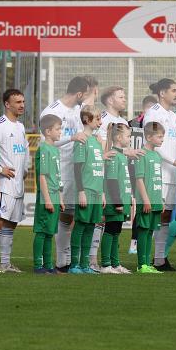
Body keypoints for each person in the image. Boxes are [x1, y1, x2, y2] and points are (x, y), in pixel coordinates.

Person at [40, 76, 93, 271]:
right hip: (57, 169)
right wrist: (71, 137)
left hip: (74, 170)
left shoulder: (78, 111)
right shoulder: (53, 111)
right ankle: (49, 261)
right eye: (85, 94)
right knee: (56, 216)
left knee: (69, 216)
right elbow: (45, 143)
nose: (85, 99)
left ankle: (65, 261)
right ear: (79, 93)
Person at [142, 78, 176, 271]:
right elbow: (153, 144)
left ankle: (160, 259)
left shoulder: (173, 116)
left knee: (165, 217)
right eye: (173, 90)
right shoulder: (153, 113)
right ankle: (145, 260)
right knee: (154, 217)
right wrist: (175, 162)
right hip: (157, 173)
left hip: (172, 173)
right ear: (162, 93)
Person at [0, 89, 30, 273]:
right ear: (7, 104)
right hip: (4, 185)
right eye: (18, 102)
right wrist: (0, 169)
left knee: (12, 223)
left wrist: (26, 168)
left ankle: (5, 263)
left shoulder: (20, 127)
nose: (21, 105)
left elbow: (25, 150)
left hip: (18, 185)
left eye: (23, 102)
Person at [70, 107, 106, 274]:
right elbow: (77, 167)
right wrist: (81, 191)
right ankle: (74, 264)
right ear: (87, 119)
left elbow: (101, 168)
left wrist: (103, 192)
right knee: (80, 226)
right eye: (97, 118)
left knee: (91, 226)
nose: (100, 121)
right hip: (86, 190)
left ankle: (85, 264)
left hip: (97, 191)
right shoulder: (82, 140)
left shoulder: (97, 141)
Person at [33, 114, 64, 274]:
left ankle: (48, 264)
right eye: (58, 129)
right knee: (42, 231)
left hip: (54, 195)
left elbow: (56, 176)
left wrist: (60, 198)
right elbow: (42, 176)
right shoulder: (44, 148)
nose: (60, 132)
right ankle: (39, 265)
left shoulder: (55, 149)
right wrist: (47, 199)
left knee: (50, 232)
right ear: (47, 131)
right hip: (47, 196)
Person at [101, 122, 133, 274]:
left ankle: (115, 264)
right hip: (115, 202)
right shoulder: (114, 155)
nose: (130, 139)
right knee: (110, 230)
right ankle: (106, 264)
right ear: (119, 137)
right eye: (128, 136)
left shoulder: (121, 155)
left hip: (122, 200)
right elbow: (112, 180)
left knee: (117, 231)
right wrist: (117, 202)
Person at [135, 122, 165, 273]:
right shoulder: (141, 154)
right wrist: (146, 199)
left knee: (150, 232)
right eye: (159, 137)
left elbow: (157, 179)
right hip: (145, 201)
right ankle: (142, 264)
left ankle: (148, 263)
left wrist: (161, 199)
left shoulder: (157, 155)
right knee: (143, 230)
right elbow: (139, 179)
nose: (162, 139)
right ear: (148, 137)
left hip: (155, 200)